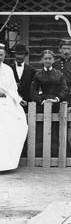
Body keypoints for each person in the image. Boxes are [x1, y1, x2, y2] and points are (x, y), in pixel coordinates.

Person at [31, 49, 68, 156]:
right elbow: (33, 91)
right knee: (41, 131)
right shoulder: (38, 75)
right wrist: (41, 101)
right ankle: (40, 155)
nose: (48, 60)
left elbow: (64, 89)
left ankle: (55, 154)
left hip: (56, 105)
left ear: (53, 60)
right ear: (42, 60)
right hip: (42, 105)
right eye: (45, 58)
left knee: (56, 130)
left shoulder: (59, 74)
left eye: (50, 58)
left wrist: (56, 99)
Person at [0, 43, 28, 171]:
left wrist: (18, 100)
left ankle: (6, 164)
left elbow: (12, 89)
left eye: (1, 55)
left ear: (5, 55)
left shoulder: (7, 69)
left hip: (6, 103)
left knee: (16, 125)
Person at [10, 43, 36, 109]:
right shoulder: (9, 69)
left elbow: (34, 88)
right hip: (12, 103)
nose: (19, 56)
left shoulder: (32, 70)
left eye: (21, 54)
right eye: (17, 54)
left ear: (25, 55)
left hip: (26, 104)